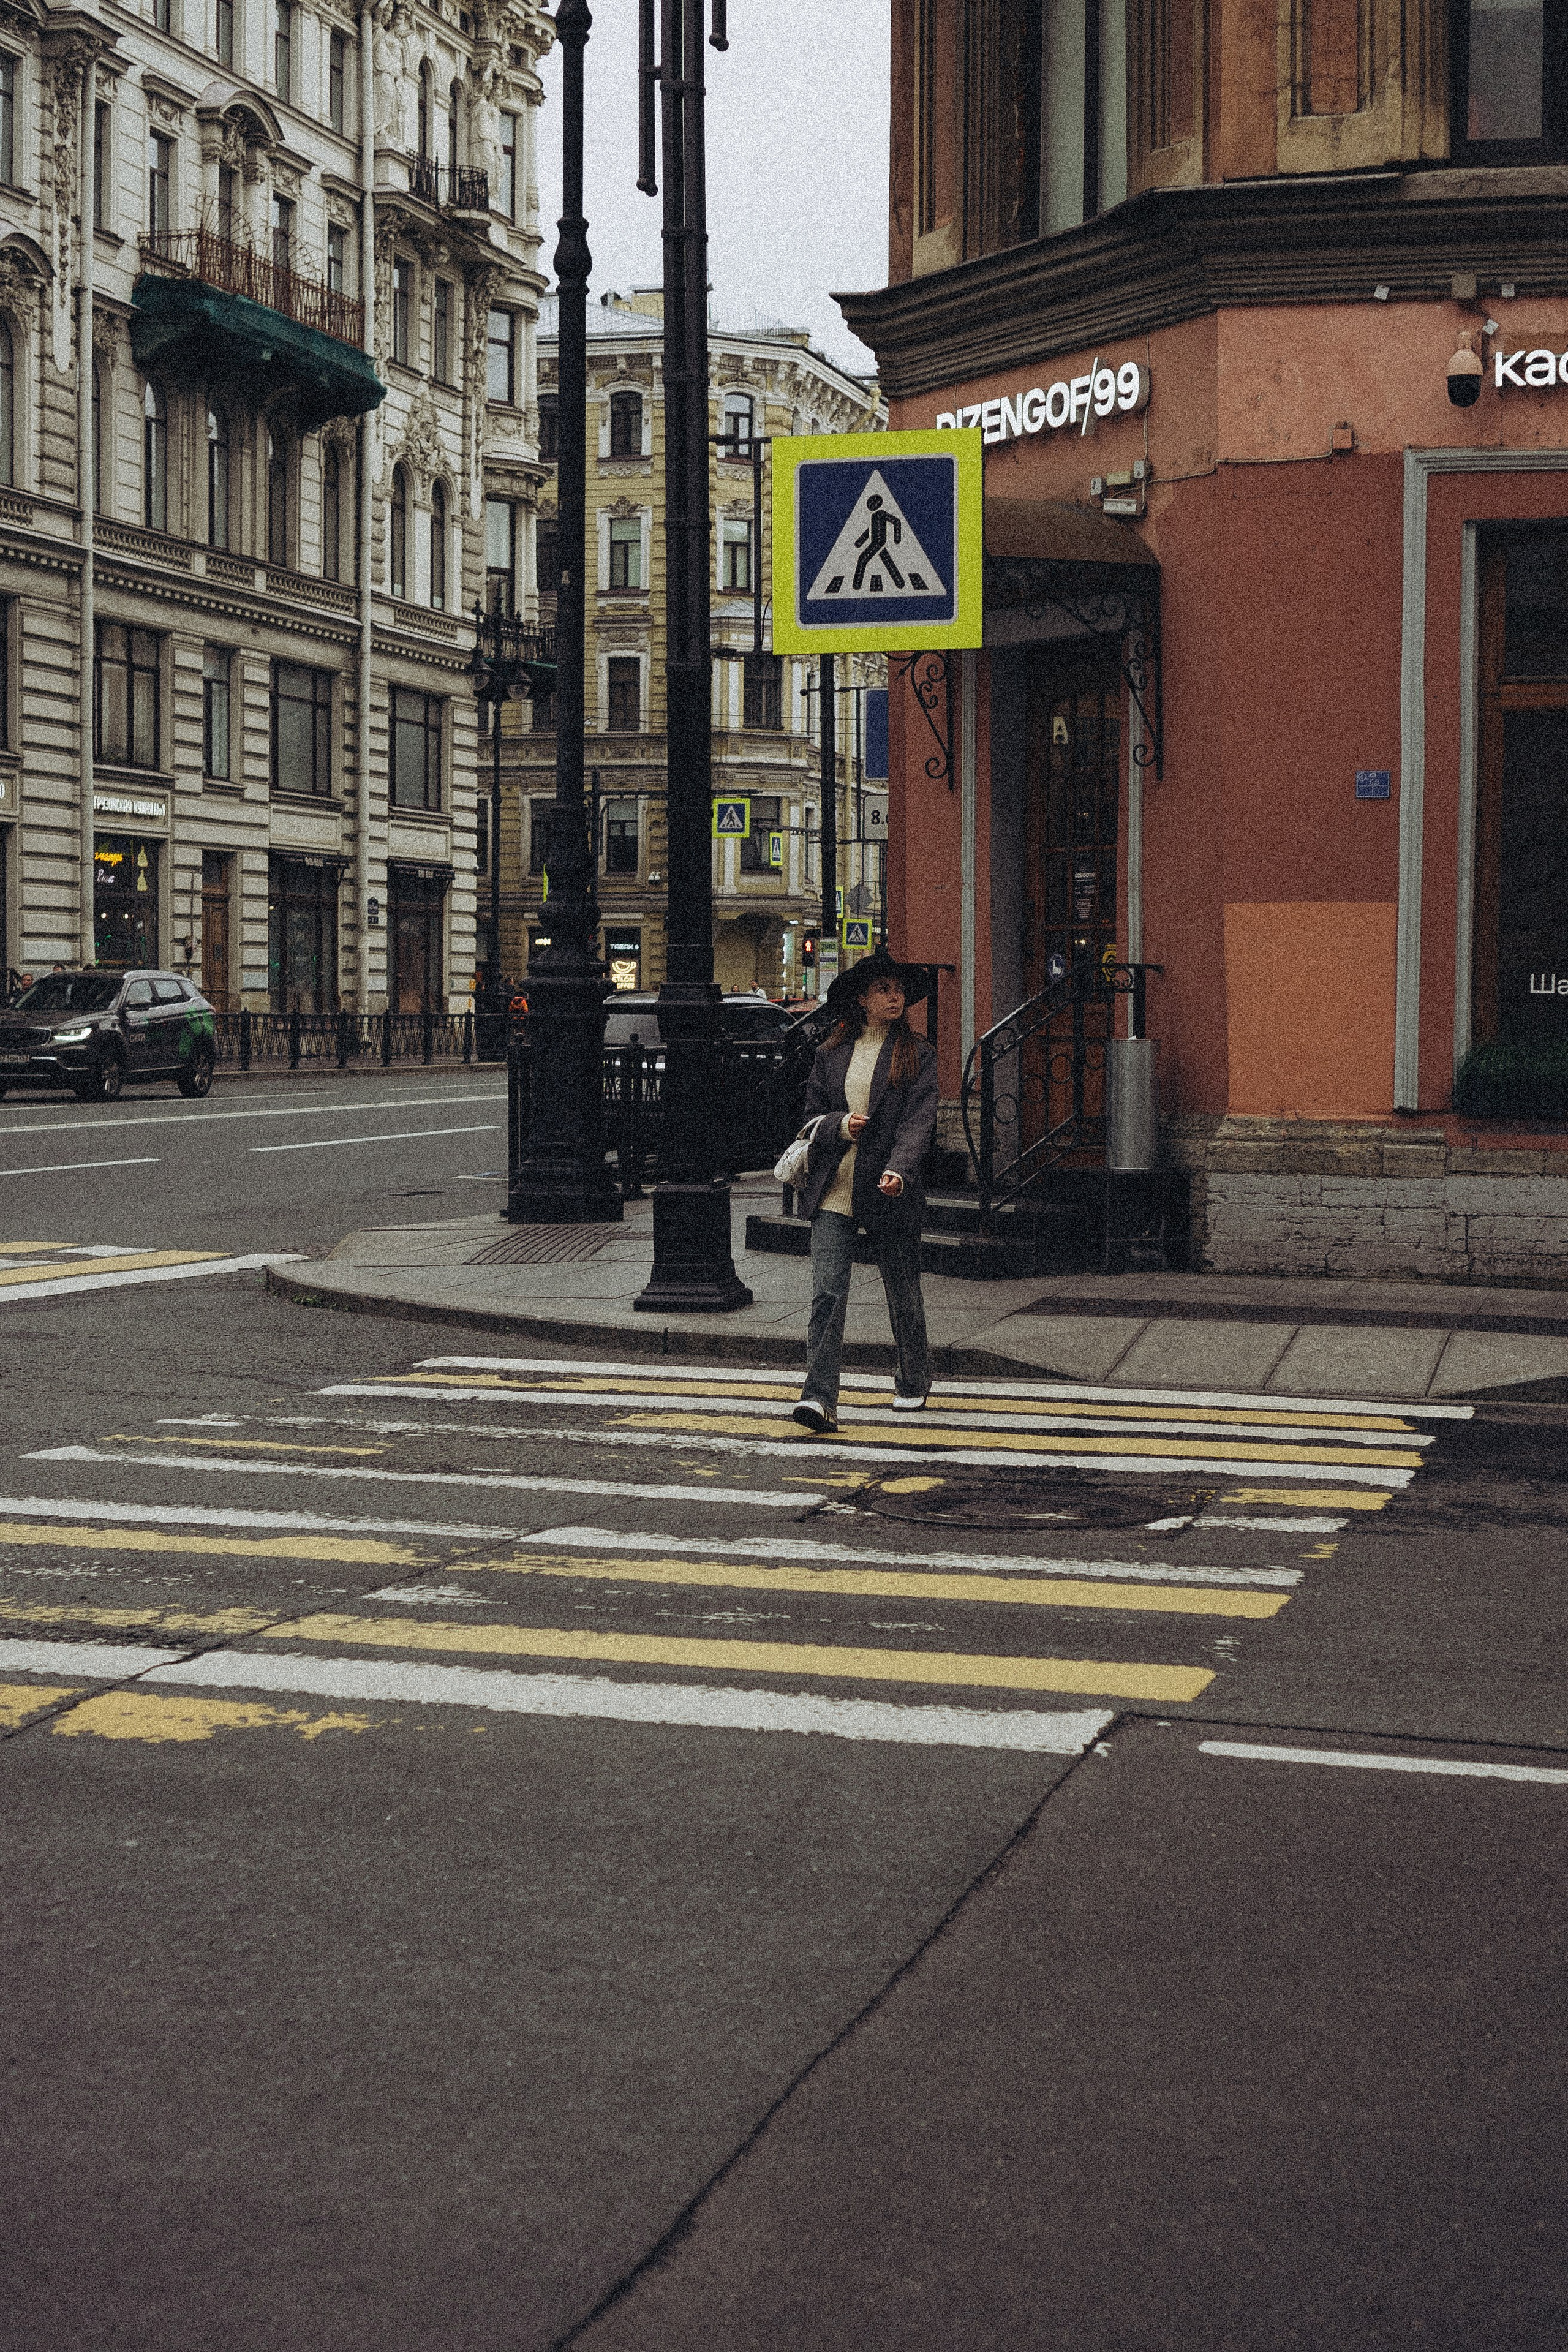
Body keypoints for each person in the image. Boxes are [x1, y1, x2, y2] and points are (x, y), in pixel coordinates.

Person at [790, 950, 939, 1433]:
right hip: (835, 1185)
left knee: (902, 1290)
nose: (894, 997)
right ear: (862, 999)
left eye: (898, 990)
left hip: (887, 1187)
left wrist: (901, 1168)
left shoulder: (917, 1053)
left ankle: (913, 1379)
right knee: (828, 1292)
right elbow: (810, 1115)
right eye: (883, 990)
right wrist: (840, 1125)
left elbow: (919, 1122)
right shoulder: (831, 1054)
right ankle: (819, 1398)